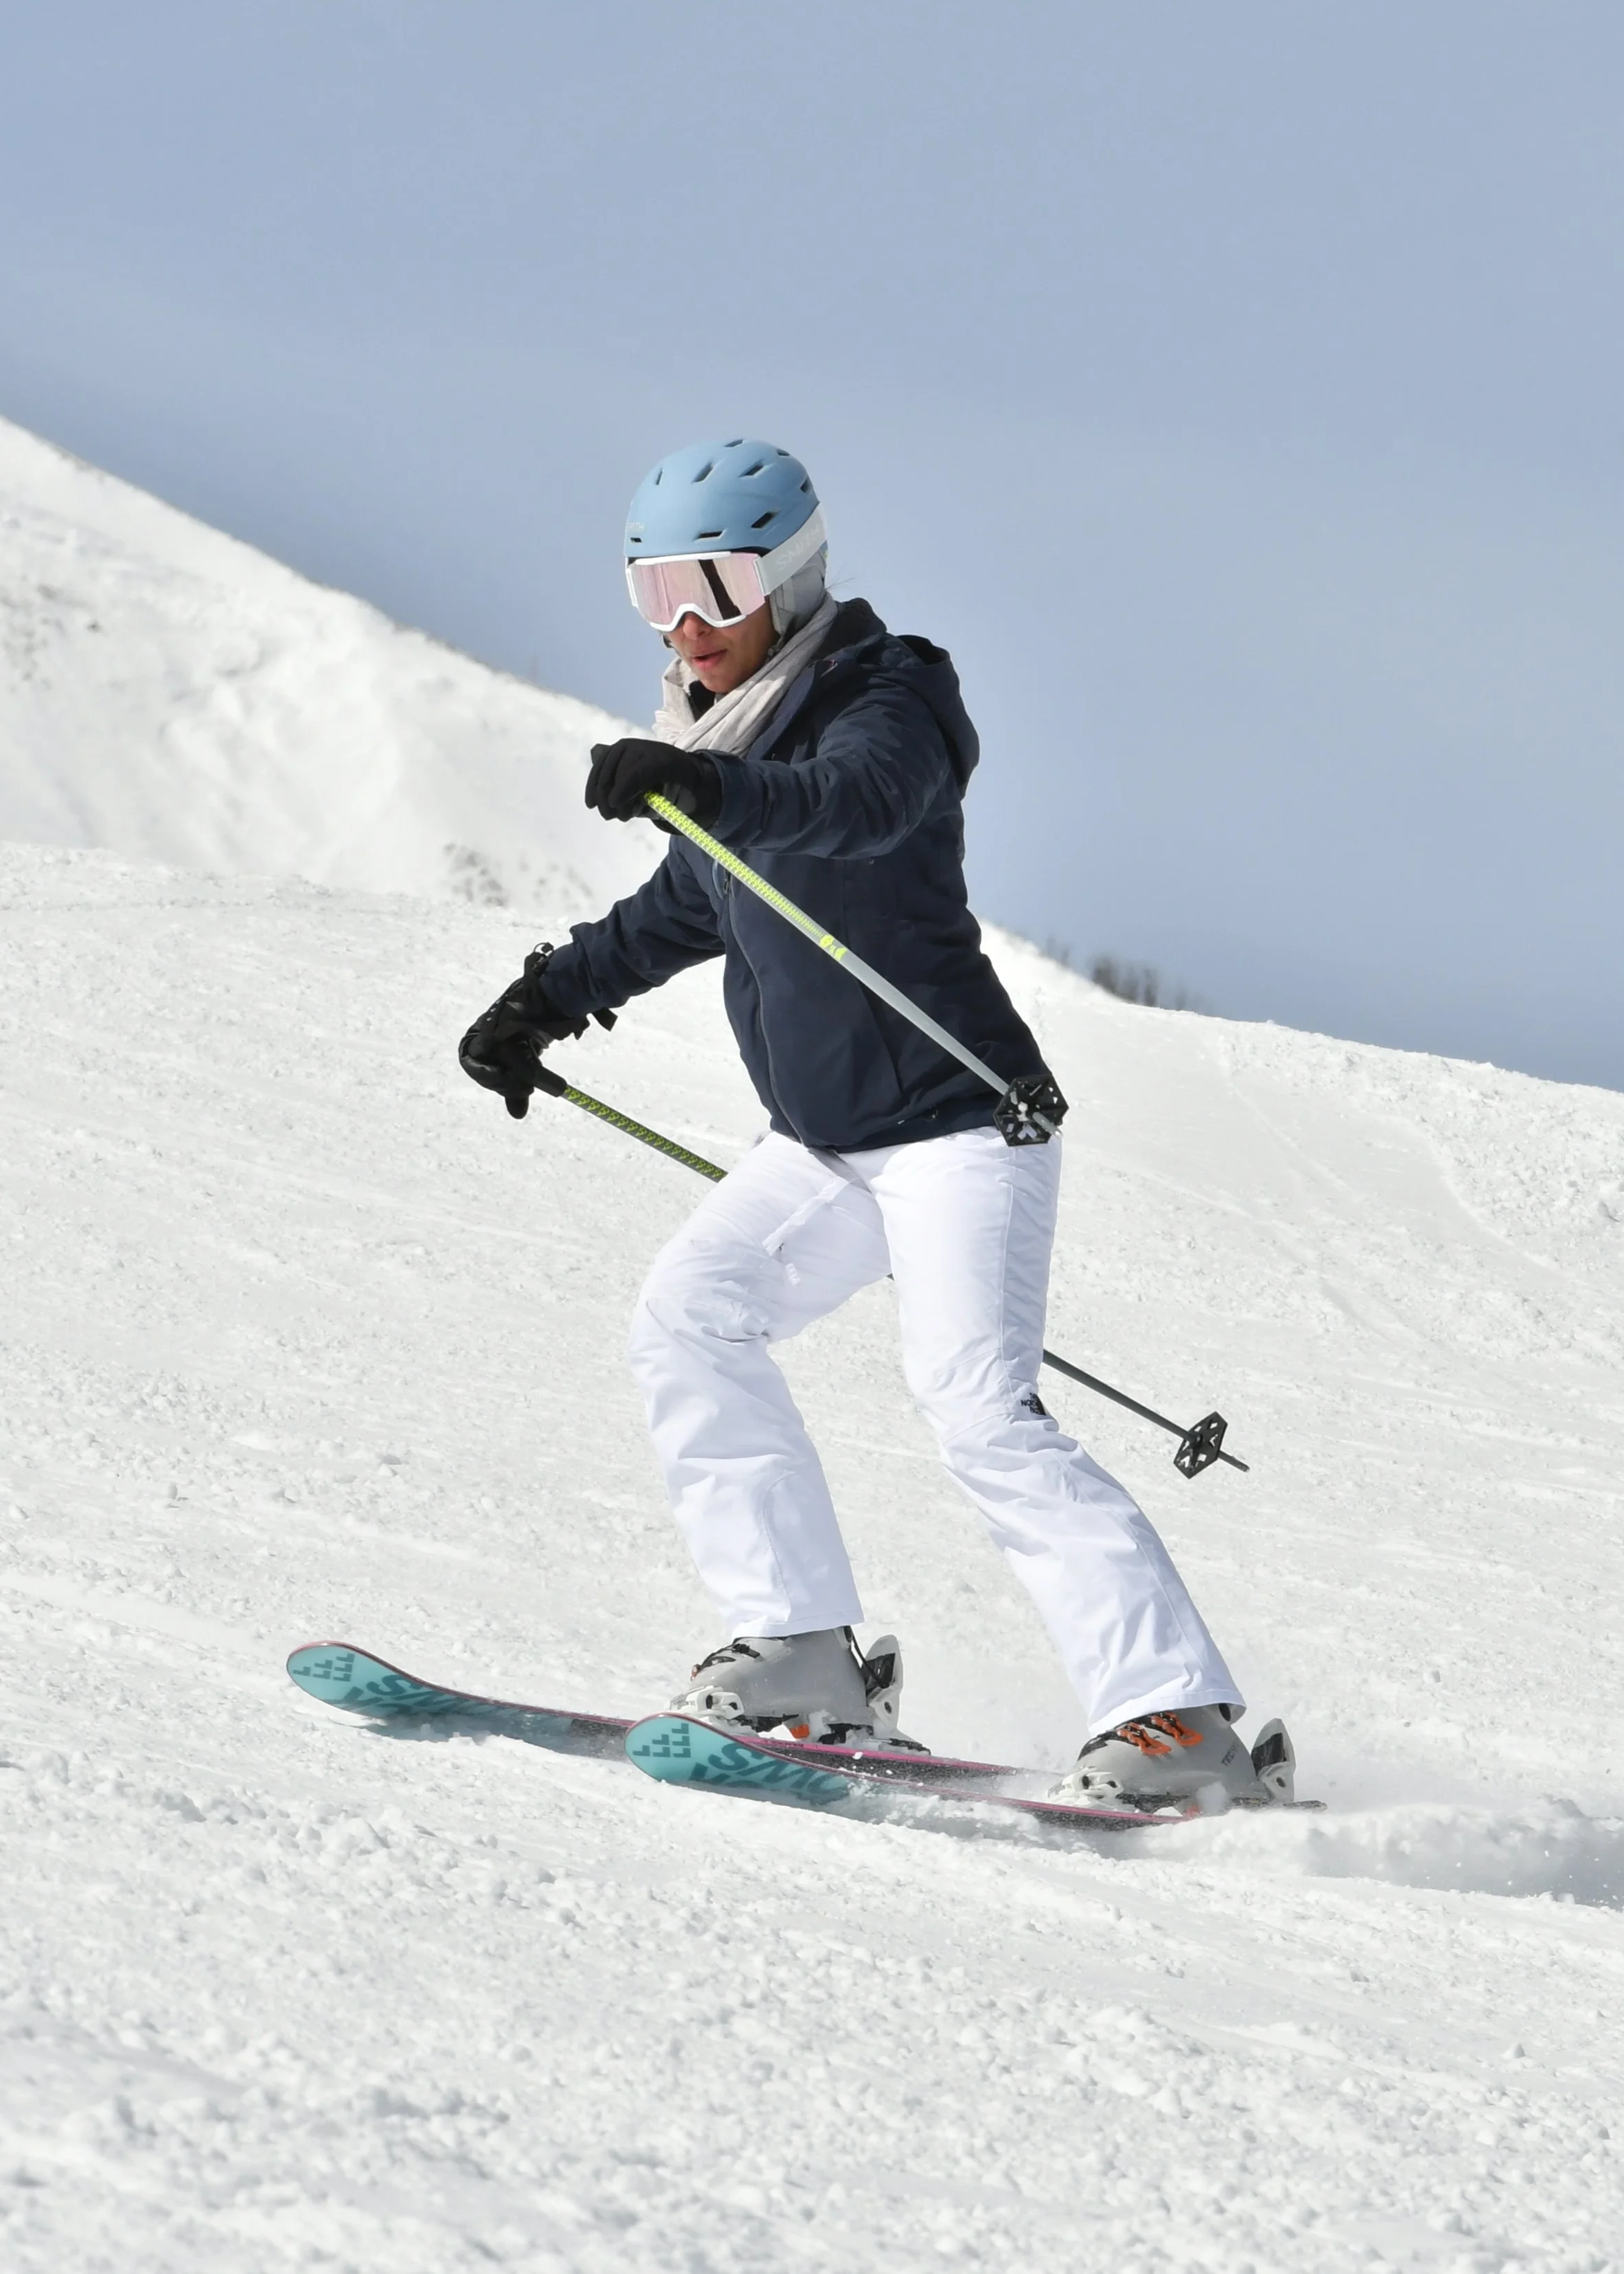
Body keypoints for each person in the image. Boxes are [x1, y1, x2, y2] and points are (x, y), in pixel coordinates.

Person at [460, 438, 1263, 1808]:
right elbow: (681, 907)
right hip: (823, 1148)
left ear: (788, 578)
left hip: (961, 1127)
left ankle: (1175, 1719)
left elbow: (854, 806)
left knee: (975, 1407)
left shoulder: (889, 697)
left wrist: (711, 789)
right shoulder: (725, 748)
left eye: (713, 589)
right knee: (689, 1317)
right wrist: (545, 1000)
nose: (685, 627)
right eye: (655, 594)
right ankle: (798, 1651)